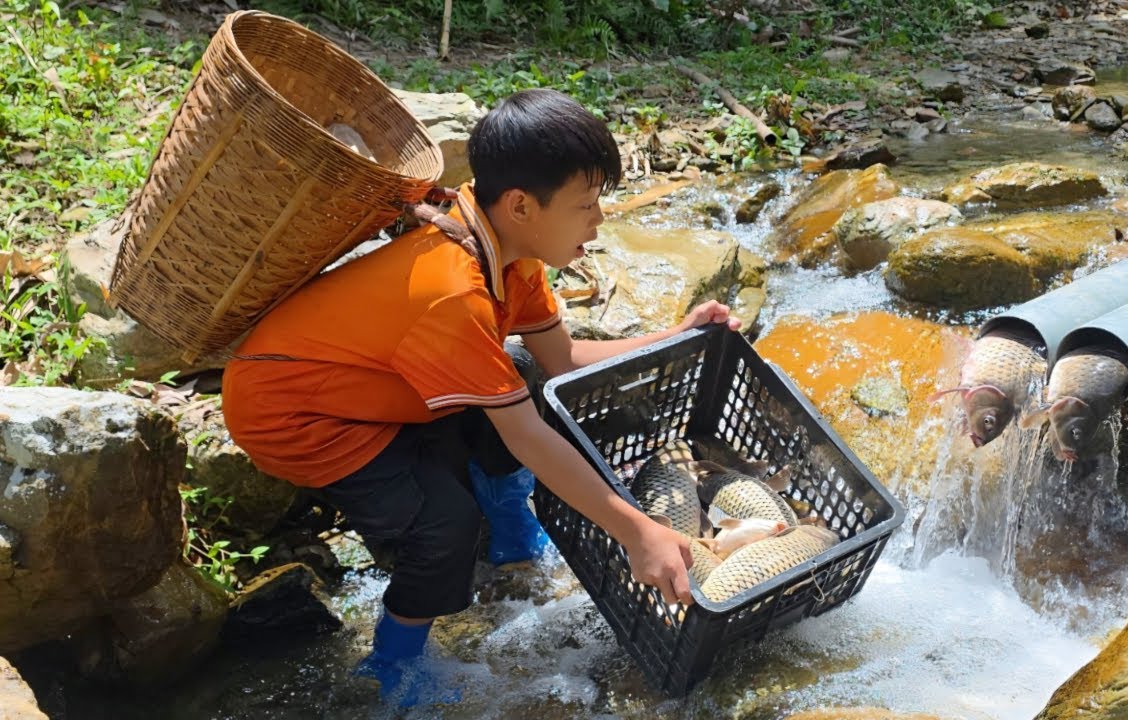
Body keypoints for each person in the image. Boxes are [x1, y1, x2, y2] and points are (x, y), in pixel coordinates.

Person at [221, 87, 741, 708]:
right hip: (296, 416)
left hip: (371, 383)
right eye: (586, 205)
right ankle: (392, 662)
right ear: (521, 205)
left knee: (520, 373)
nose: (599, 221)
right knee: (444, 525)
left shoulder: (511, 254)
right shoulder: (454, 293)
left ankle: (513, 537)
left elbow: (563, 361)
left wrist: (677, 334)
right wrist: (638, 533)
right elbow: (528, 436)